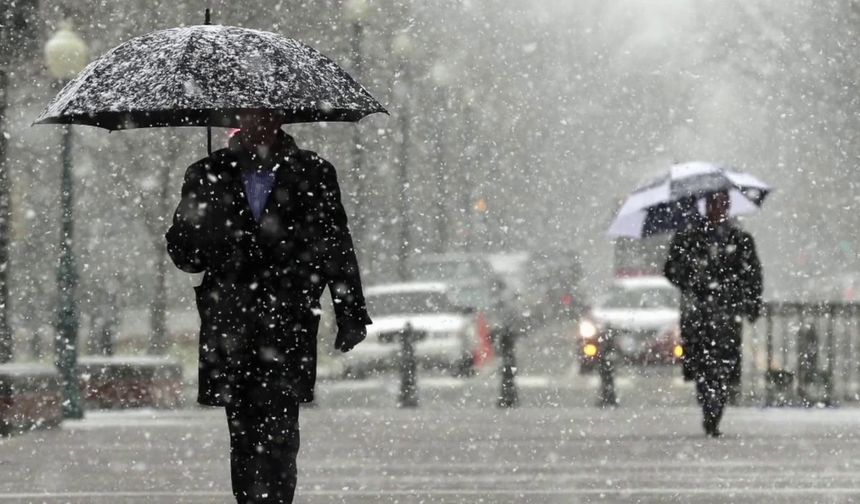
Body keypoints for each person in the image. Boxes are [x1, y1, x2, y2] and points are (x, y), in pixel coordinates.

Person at [165, 111, 371, 503]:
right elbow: (187, 257)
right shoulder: (206, 174)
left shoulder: (313, 172)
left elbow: (336, 246)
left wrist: (350, 313)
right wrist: (197, 225)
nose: (259, 122)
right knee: (242, 436)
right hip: (231, 325)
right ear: (236, 117)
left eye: (267, 114)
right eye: (250, 114)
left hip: (288, 320)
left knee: (281, 435)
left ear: (281, 118)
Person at [663, 191, 762, 437]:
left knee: (723, 367)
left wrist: (749, 303)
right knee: (703, 367)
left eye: (723, 203)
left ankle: (714, 410)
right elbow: (671, 269)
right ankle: (709, 407)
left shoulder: (740, 240)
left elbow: (752, 276)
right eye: (713, 203)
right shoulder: (687, 238)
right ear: (705, 206)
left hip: (727, 315)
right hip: (698, 316)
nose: (718, 208)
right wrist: (693, 277)